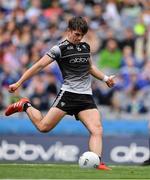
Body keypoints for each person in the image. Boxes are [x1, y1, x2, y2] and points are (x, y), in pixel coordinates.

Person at [5, 17, 115, 170]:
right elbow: (38, 66)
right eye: (76, 34)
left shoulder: (85, 46)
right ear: (68, 31)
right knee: (44, 127)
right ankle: (25, 105)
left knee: (97, 129)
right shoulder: (59, 49)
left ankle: (97, 162)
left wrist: (105, 78)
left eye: (81, 35)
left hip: (85, 96)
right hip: (68, 95)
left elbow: (89, 67)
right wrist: (19, 82)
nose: (79, 38)